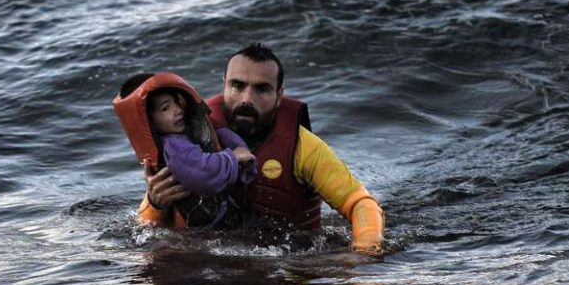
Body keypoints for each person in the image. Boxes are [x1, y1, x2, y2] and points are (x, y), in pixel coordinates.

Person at [139, 44, 386, 256]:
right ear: (223, 85)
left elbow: (361, 203)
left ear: (279, 95)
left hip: (287, 264)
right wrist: (155, 203)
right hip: (207, 265)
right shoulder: (189, 138)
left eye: (262, 89)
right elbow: (146, 223)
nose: (247, 98)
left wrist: (364, 255)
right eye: (237, 85)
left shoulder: (303, 147)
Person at [114, 72, 257, 227]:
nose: (177, 110)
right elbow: (202, 173)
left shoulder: (197, 128)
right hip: (203, 231)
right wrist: (233, 157)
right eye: (165, 108)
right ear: (149, 122)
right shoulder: (174, 147)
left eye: (177, 102)